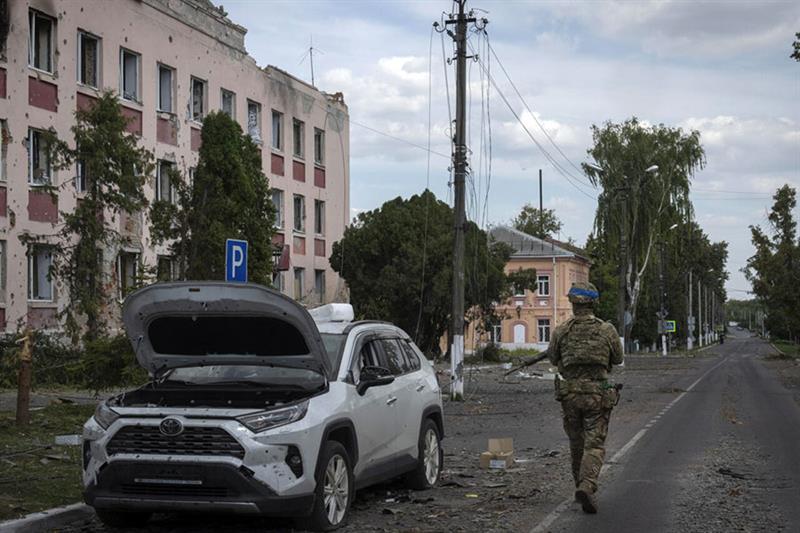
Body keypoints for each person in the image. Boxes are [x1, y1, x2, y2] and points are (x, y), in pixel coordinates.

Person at [547, 281, 623, 514]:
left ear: (572, 303)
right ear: (594, 303)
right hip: (597, 396)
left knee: (576, 444)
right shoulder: (606, 329)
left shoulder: (561, 330)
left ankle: (579, 487)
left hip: (569, 395)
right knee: (595, 444)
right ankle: (587, 485)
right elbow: (618, 359)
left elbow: (552, 358)